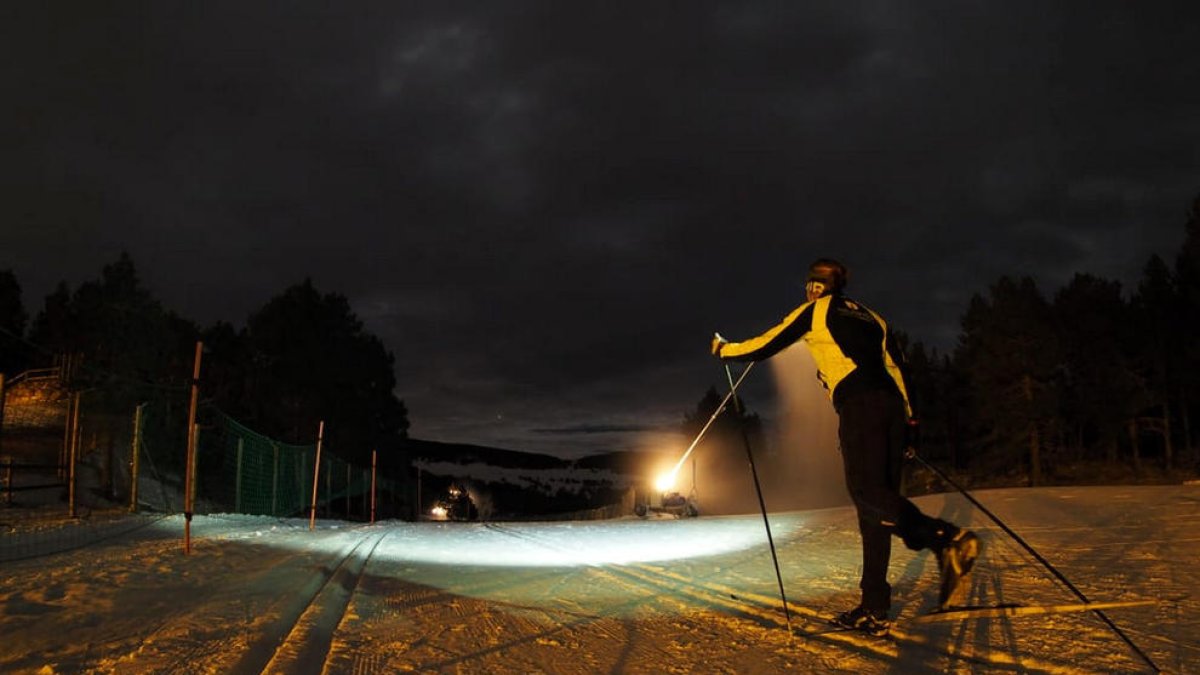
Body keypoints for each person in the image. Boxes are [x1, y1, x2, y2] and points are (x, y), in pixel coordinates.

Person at [711, 258, 978, 636]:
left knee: (867, 494)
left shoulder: (816, 310)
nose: (807, 291)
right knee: (877, 508)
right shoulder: (874, 317)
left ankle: (946, 539)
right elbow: (899, 369)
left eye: (809, 286)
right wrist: (911, 424)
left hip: (860, 406)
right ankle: (874, 607)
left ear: (817, 286)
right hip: (892, 409)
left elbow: (769, 341)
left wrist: (725, 350)